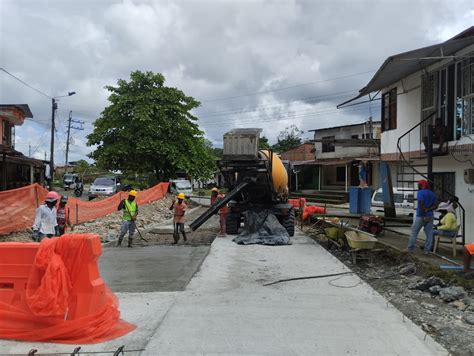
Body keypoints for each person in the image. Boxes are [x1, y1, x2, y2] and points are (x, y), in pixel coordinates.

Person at [407, 179, 438, 254]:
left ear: (421, 186)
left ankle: (410, 249)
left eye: (419, 185)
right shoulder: (432, 193)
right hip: (430, 216)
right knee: (429, 234)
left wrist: (424, 213)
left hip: (421, 216)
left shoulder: (420, 192)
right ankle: (427, 251)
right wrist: (428, 210)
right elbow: (436, 205)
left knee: (414, 232)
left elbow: (421, 203)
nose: (418, 186)